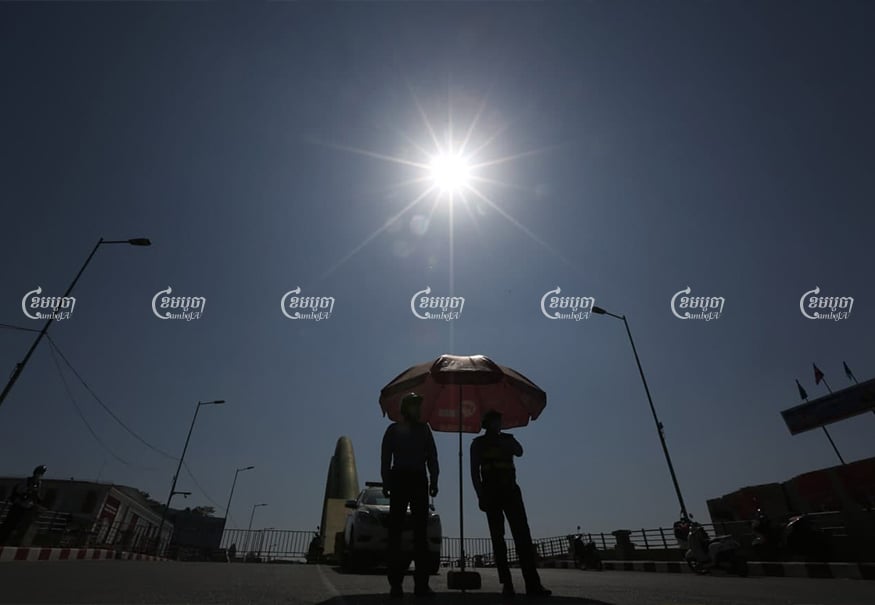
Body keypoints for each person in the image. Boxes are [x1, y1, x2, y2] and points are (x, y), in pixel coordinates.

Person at [471, 411, 550, 597]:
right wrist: (480, 495)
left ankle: (533, 583)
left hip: (511, 491)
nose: (498, 423)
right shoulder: (478, 444)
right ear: (487, 423)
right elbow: (474, 472)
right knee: (498, 539)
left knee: (523, 536)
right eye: (495, 421)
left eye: (499, 420)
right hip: (491, 493)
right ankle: (507, 583)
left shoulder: (507, 439)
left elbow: (519, 451)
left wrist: (506, 441)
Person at [381, 392, 439, 598]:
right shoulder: (393, 430)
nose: (419, 410)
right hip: (399, 479)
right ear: (407, 408)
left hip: (418, 480)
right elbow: (385, 457)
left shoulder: (424, 430)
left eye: (419, 406)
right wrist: (386, 481)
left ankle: (421, 583)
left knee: (420, 533)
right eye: (415, 406)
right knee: (395, 531)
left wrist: (435, 480)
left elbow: (432, 455)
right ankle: (395, 583)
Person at [0, 464, 47, 545]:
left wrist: (38, 502)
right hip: (18, 505)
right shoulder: (27, 481)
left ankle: (7, 542)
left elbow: (36, 494)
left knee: (18, 526)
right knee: (9, 524)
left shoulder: (39, 483)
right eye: (39, 473)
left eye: (41, 474)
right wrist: (26, 495)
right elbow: (19, 492)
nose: (39, 475)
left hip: (27, 507)